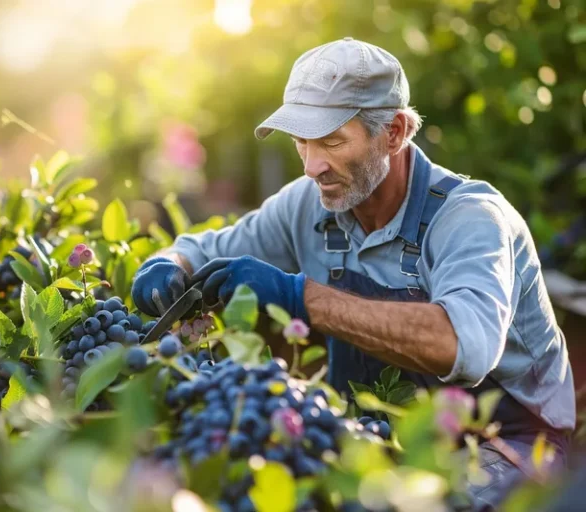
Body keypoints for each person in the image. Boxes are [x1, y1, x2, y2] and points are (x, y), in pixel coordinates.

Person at [130, 37, 575, 510]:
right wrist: (169, 266)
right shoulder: (309, 204)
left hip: (509, 448)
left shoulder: (471, 220)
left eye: (332, 141)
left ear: (396, 132)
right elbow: (201, 251)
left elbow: (463, 348)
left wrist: (303, 298)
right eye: (301, 141)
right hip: (380, 438)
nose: (312, 165)